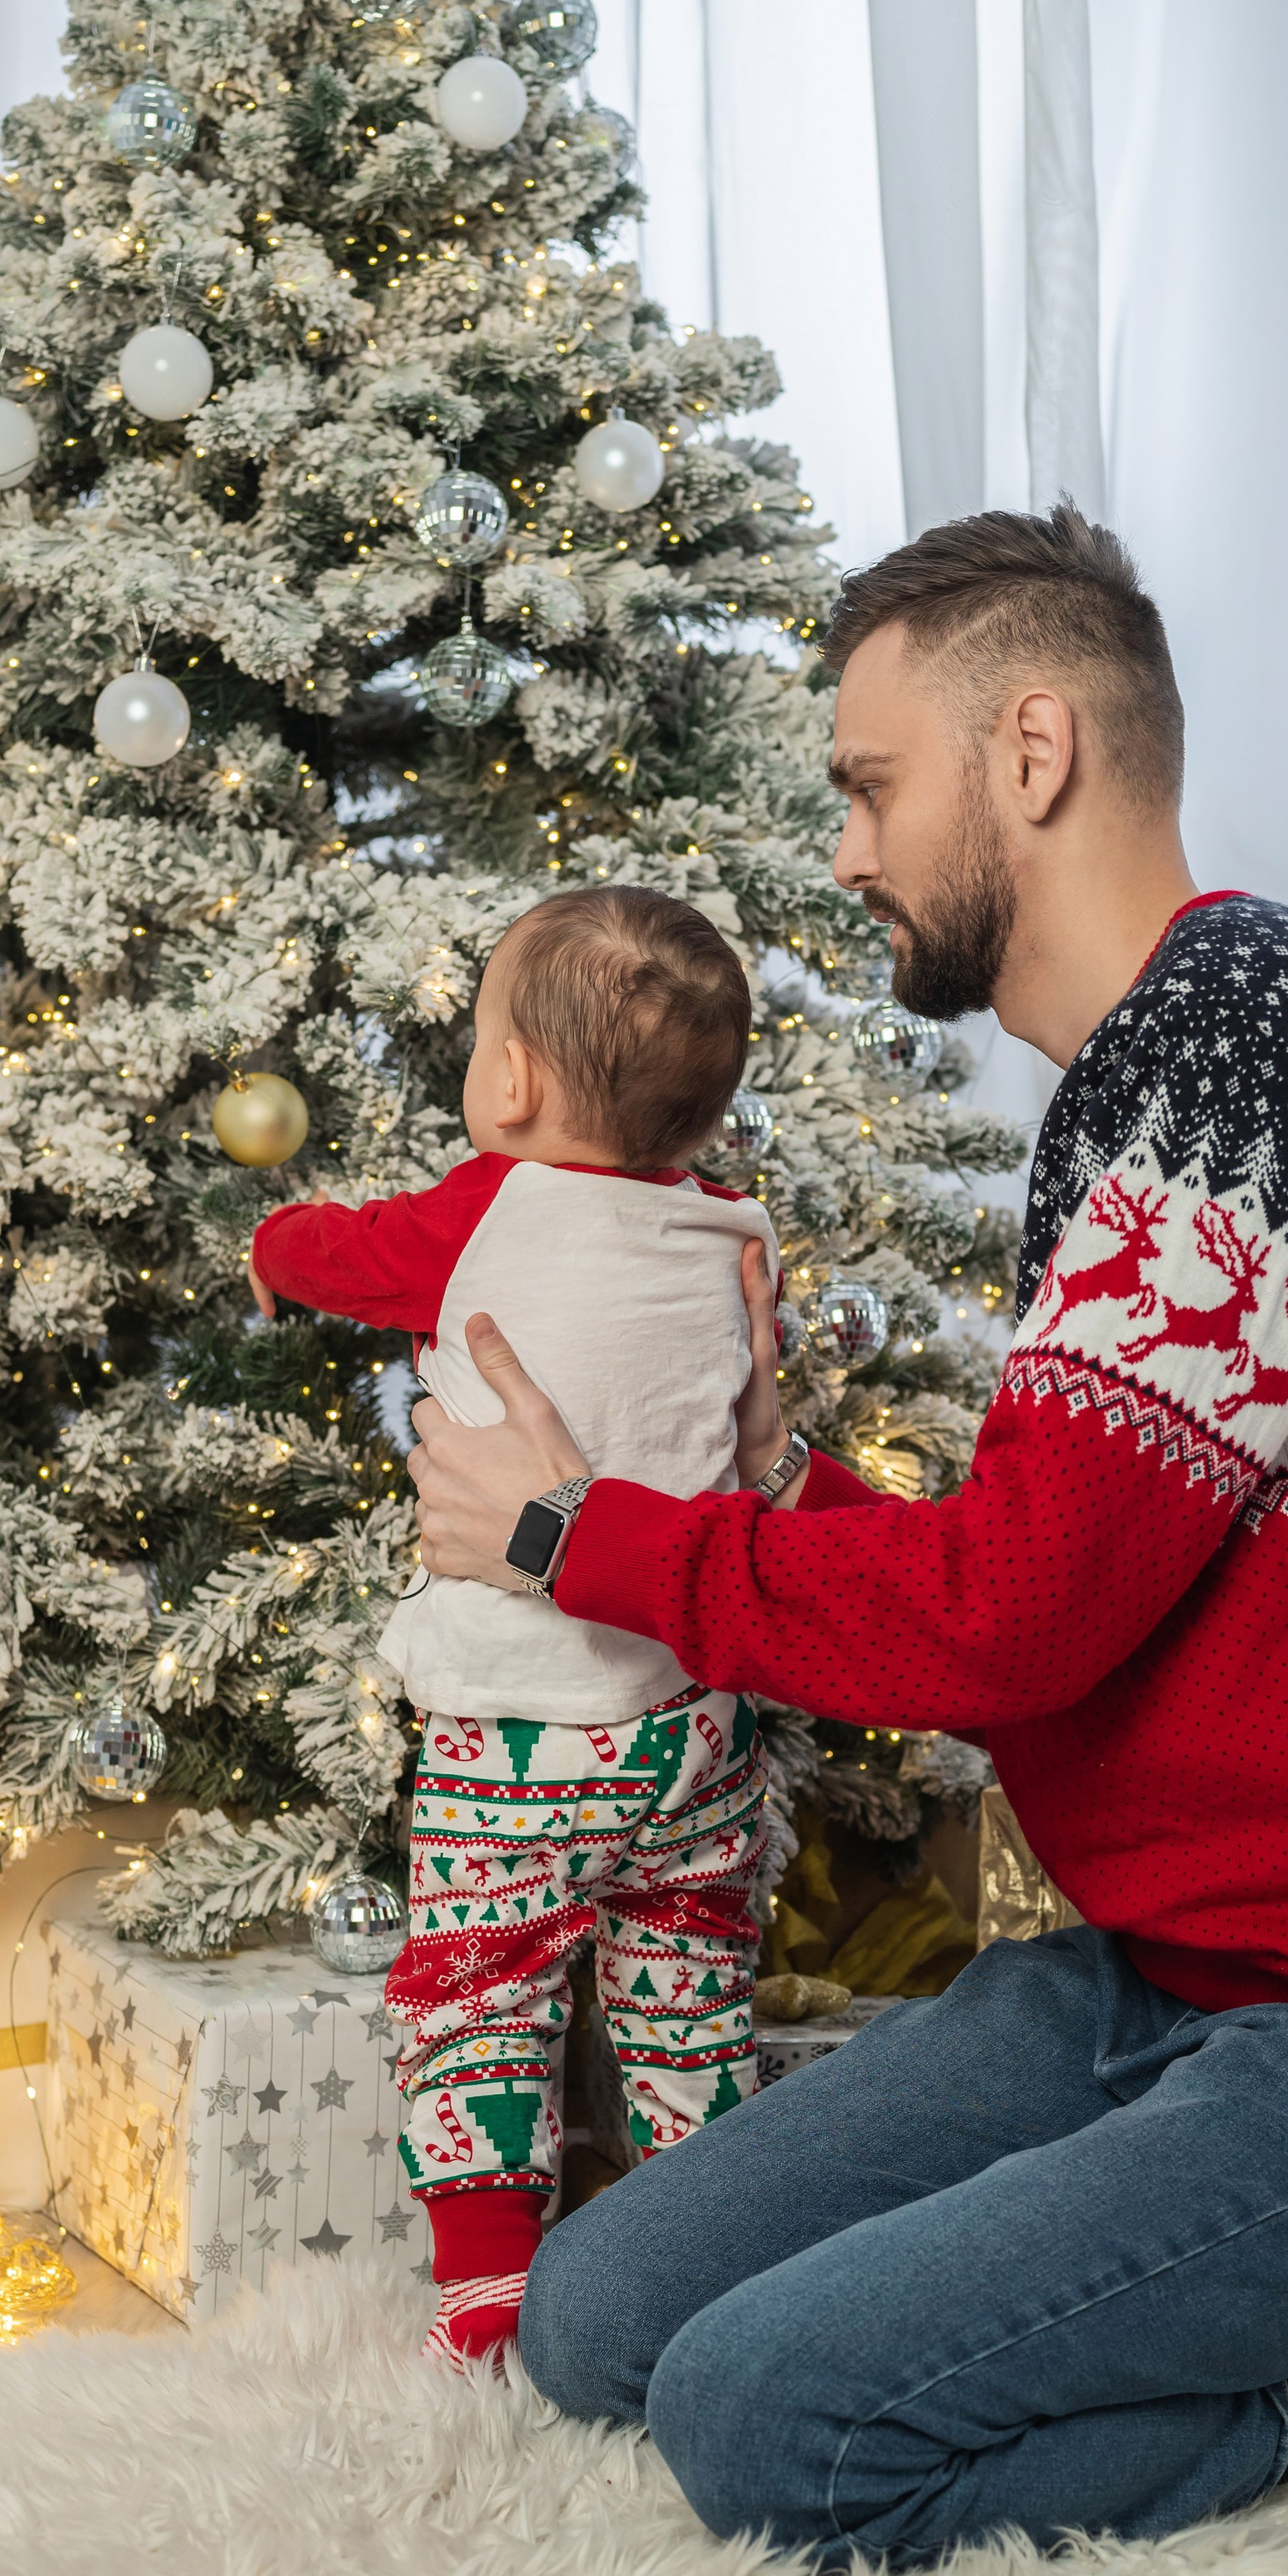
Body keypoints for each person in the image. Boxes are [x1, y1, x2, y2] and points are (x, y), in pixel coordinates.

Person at [402, 505, 1288, 2554]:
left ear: (1033, 750)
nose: (843, 854)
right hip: (1170, 1984)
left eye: (869, 786)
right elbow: (1090, 1554)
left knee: (766, 2429)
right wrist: (761, 1468)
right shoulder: (1147, 1074)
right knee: (592, 2317)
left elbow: (1013, 1619)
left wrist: (579, 1538)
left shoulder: (1258, 1044)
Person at [247, 886, 807, 2361]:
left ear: (510, 1079)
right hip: (701, 1717)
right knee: (689, 1991)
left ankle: (491, 2289)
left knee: (482, 1994)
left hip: (523, 1727)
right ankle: (710, 2256)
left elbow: (343, 1255)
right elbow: (748, 1427)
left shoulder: (483, 1211)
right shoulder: (729, 1233)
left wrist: (271, 1245)